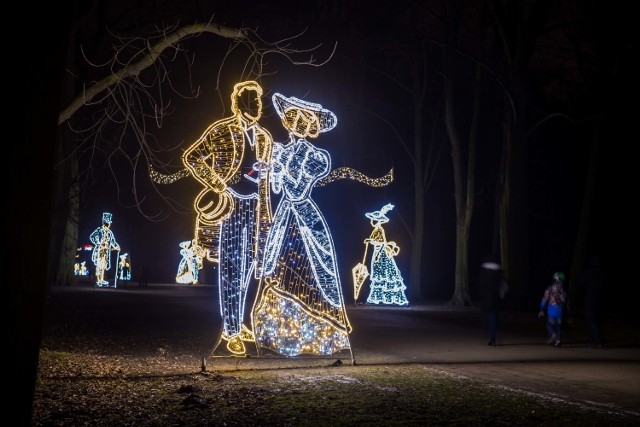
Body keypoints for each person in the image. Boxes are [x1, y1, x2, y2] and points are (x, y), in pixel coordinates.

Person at [251, 93, 352, 357]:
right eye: (291, 117)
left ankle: (318, 335)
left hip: (304, 218)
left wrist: (280, 171)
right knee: (280, 269)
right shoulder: (281, 151)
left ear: (311, 126)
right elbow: (275, 188)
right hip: (285, 216)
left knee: (309, 271)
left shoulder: (315, 157)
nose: (295, 123)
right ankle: (279, 335)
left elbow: (297, 191)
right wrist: (267, 172)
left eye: (301, 119)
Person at [182, 80, 273, 355]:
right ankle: (231, 329)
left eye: (259, 102)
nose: (259, 106)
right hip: (229, 205)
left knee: (248, 267)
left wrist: (266, 206)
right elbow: (193, 157)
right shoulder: (221, 130)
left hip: (254, 206)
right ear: (242, 103)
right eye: (255, 102)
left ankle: (237, 321)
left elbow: (265, 179)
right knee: (232, 267)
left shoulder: (263, 137)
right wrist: (217, 183)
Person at [359, 203, 408, 306]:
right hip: (377, 252)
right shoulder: (376, 230)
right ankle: (376, 298)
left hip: (381, 253)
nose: (372, 221)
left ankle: (390, 298)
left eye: (374, 219)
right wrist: (371, 241)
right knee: (378, 274)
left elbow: (382, 242)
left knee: (382, 274)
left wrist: (371, 241)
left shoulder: (380, 230)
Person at [478, 253, 508, 346]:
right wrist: (501, 297)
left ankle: (491, 337)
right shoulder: (500, 272)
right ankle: (493, 338)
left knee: (487, 318)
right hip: (496, 300)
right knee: (493, 319)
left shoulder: (484, 271)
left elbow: (481, 285)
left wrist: (482, 296)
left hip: (486, 300)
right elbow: (504, 286)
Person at [574, 255, 604, 348]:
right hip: (600, 302)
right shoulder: (602, 273)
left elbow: (580, 285)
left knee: (592, 322)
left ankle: (597, 342)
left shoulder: (588, 273)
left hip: (590, 301)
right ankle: (594, 339)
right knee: (598, 321)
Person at [89, 212, 120, 287]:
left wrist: (117, 246)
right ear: (104, 223)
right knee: (99, 266)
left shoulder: (109, 232)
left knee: (103, 266)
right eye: (107, 223)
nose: (108, 225)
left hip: (106, 251)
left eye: (108, 223)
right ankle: (98, 280)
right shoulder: (99, 230)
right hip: (100, 250)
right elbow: (92, 237)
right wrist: (98, 243)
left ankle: (102, 279)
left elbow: (113, 241)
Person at [538, 272, 567, 347]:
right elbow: (565, 300)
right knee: (559, 326)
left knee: (550, 324)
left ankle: (553, 334)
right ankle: (558, 340)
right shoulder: (563, 289)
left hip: (551, 309)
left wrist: (541, 308)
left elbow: (545, 298)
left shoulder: (549, 288)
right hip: (560, 309)